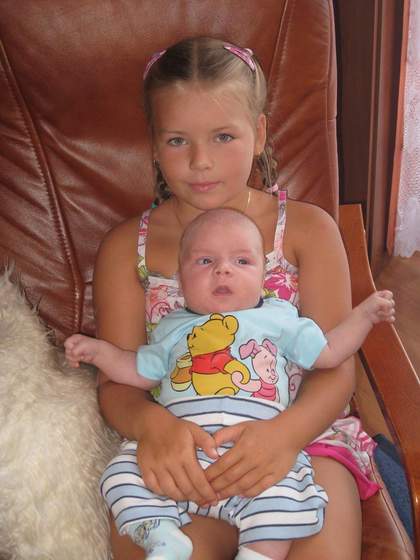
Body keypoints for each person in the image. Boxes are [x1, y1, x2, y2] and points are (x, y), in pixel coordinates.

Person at [95, 36, 381, 559]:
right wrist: (154, 426)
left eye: (223, 136)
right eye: (177, 141)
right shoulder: (124, 249)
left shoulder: (308, 230)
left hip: (302, 439)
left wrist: (284, 436)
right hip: (182, 442)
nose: (201, 162)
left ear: (259, 133)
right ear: (154, 145)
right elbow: (117, 382)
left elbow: (335, 368)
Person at [66, 209, 395, 560]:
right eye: (205, 261)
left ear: (263, 276)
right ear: (180, 280)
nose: (223, 270)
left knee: (289, 498)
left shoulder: (277, 317)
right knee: (120, 474)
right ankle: (161, 535)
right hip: (186, 449)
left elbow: (329, 353)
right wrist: (100, 353)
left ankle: (258, 554)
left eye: (242, 261)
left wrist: (363, 317)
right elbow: (137, 370)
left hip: (260, 446)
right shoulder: (172, 328)